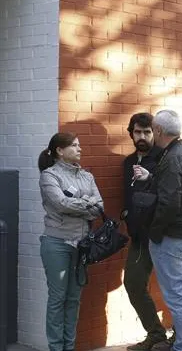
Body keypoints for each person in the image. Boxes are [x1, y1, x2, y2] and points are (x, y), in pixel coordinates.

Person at [132, 110, 182, 351]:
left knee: (176, 294)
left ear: (159, 131)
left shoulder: (172, 158)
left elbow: (169, 202)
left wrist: (155, 231)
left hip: (171, 235)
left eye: (152, 128)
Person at [38, 132, 103, 351]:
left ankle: (69, 347)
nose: (80, 149)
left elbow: (99, 208)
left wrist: (82, 204)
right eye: (74, 145)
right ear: (59, 150)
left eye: (79, 145)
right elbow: (61, 204)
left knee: (74, 299)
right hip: (56, 244)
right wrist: (87, 202)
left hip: (81, 245)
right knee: (58, 298)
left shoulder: (87, 176)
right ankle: (56, 348)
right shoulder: (50, 176)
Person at [122, 113, 170, 351]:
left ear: (155, 133)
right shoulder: (128, 162)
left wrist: (151, 177)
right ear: (131, 133)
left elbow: (172, 194)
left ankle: (180, 337)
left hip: (163, 236)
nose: (142, 137)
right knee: (133, 283)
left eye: (147, 132)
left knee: (174, 286)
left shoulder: (165, 159)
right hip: (140, 239)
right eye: (138, 132)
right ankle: (156, 333)